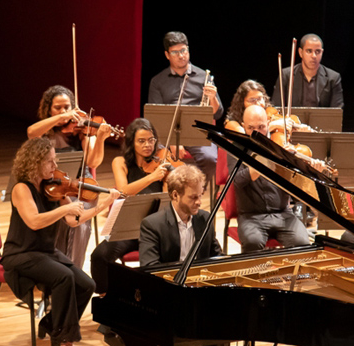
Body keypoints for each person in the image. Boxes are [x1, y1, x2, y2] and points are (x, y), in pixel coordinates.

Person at [1, 136, 120, 346]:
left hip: (45, 251)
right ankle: (64, 338)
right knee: (64, 277)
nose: (55, 167)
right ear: (34, 163)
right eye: (50, 162)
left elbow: (75, 220)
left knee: (87, 284)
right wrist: (65, 209)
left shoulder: (53, 187)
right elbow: (34, 221)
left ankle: (50, 323)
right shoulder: (21, 189)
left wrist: (103, 204)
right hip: (21, 253)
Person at [138, 164, 222, 346]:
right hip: (166, 298)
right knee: (189, 330)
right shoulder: (152, 224)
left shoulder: (205, 219)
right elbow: (151, 268)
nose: (199, 201)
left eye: (201, 195)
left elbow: (217, 256)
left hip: (200, 294)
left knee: (227, 324)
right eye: (193, 197)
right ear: (174, 196)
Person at [26, 85, 113, 268]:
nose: (64, 111)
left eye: (67, 107)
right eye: (58, 108)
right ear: (48, 109)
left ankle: (73, 270)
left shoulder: (81, 128)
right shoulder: (45, 129)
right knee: (56, 211)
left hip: (80, 185)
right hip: (50, 185)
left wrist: (101, 139)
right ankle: (53, 268)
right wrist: (61, 117)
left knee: (77, 215)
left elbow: (93, 161)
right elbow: (31, 133)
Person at [90, 118, 170, 294]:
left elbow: (166, 200)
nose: (147, 145)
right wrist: (152, 177)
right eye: (141, 141)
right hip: (128, 230)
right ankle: (106, 298)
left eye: (151, 140)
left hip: (154, 230)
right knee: (99, 257)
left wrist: (168, 179)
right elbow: (125, 191)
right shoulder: (120, 162)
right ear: (131, 143)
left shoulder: (161, 165)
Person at [231, 104, 311, 253]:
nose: (257, 133)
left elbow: (296, 187)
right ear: (243, 126)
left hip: (283, 214)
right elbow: (238, 181)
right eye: (251, 128)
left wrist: (293, 164)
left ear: (268, 123)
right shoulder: (236, 147)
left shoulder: (279, 144)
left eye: (261, 127)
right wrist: (267, 160)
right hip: (251, 217)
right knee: (252, 242)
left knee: (302, 243)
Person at [147, 31, 222, 180]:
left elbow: (217, 113)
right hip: (168, 136)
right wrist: (173, 142)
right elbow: (156, 119)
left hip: (197, 133)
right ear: (167, 55)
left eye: (184, 50)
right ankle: (174, 198)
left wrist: (213, 98)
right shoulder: (157, 81)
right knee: (159, 160)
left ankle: (195, 193)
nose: (181, 55)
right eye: (175, 52)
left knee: (210, 159)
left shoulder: (203, 77)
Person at [272, 34, 343, 109]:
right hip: (293, 120)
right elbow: (277, 108)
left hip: (321, 120)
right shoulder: (286, 75)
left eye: (318, 51)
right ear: (300, 52)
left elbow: (336, 111)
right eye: (309, 51)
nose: (314, 56)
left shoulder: (333, 78)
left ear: (322, 52)